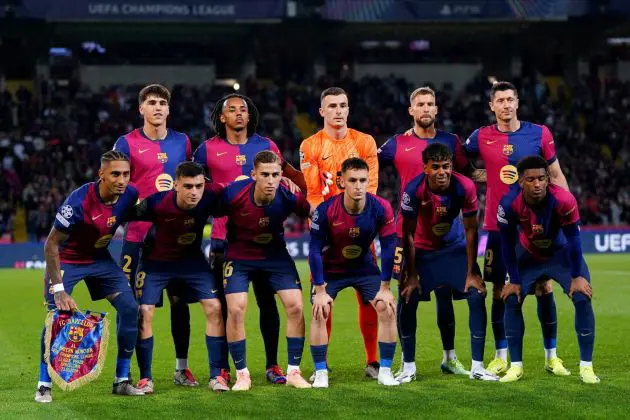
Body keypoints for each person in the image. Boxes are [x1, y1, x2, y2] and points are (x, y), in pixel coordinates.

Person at [193, 93, 305, 384]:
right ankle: (222, 369)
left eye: (244, 109)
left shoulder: (266, 146)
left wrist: (291, 180)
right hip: (224, 240)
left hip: (267, 242)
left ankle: (273, 366)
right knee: (225, 308)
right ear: (222, 117)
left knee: (268, 305)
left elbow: (288, 176)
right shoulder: (206, 150)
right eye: (232, 110)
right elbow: (197, 189)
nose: (239, 114)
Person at [463, 81, 570, 376]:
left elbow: (555, 174)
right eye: (501, 100)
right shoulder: (481, 136)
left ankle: (552, 356)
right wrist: (484, 175)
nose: (506, 105)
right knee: (501, 289)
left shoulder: (539, 133)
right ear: (492, 106)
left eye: (511, 99)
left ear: (518, 103)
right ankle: (500, 356)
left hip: (536, 225)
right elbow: (457, 163)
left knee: (543, 285)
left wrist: (566, 213)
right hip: (497, 226)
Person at [35, 151, 144, 403]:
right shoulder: (78, 202)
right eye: (115, 174)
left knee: (130, 308)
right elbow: (51, 245)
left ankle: (122, 380)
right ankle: (43, 384)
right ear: (101, 174)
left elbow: (129, 215)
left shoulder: (130, 194)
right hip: (68, 259)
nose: (121, 180)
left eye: (126, 174)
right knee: (57, 317)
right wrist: (59, 289)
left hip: (99, 259)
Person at [380, 86, 472, 382]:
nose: (426, 108)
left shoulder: (452, 142)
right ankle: (408, 365)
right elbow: (368, 169)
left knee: (446, 297)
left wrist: (507, 177)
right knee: (408, 297)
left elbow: (469, 176)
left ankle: (450, 357)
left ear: (437, 109)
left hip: (447, 235)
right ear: (411, 110)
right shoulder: (396, 144)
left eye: (430, 103)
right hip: (409, 235)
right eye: (420, 104)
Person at [113, 84, 198, 386]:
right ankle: (136, 373)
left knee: (179, 302)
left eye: (163, 102)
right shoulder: (126, 142)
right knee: (136, 307)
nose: (158, 107)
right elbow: (116, 185)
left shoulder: (183, 142)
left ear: (169, 109)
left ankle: (181, 367)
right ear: (141, 109)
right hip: (138, 237)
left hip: (174, 238)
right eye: (151, 102)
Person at [299, 86, 381, 378]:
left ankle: (373, 362)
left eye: (343, 105)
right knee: (322, 302)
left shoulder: (365, 142)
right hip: (326, 236)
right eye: (332, 106)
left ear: (349, 109)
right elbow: (312, 194)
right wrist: (332, 225)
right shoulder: (310, 145)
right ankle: (321, 367)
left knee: (370, 299)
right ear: (322, 111)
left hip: (360, 232)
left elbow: (369, 190)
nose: (338, 110)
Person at [400, 143, 499, 382]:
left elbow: (471, 231)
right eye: (435, 167)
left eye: (446, 166)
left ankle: (477, 367)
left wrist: (471, 271)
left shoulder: (465, 186)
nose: (442, 172)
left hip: (453, 248)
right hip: (422, 251)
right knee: (407, 297)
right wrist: (411, 274)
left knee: (476, 294)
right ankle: (408, 367)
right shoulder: (413, 190)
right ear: (425, 167)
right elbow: (408, 234)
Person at [498, 156, 599, 384]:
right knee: (512, 299)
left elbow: (574, 239)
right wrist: (513, 279)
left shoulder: (564, 199)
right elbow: (506, 243)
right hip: (527, 254)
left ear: (547, 179)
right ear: (520, 182)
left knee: (582, 296)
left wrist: (575, 277)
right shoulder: (508, 203)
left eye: (542, 178)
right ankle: (516, 367)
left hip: (560, 255)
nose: (537, 184)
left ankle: (586, 367)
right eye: (531, 179)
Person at [130, 162, 229, 393]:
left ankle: (217, 376)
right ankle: (145, 378)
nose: (194, 191)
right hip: (155, 263)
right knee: (144, 312)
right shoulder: (156, 202)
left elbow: (239, 195)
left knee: (214, 307)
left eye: (198, 186)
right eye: (188, 186)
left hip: (191, 261)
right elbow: (122, 212)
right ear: (175, 185)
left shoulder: (210, 195)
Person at [218, 150, 312, 391]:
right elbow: (206, 210)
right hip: (239, 256)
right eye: (265, 175)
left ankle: (293, 371)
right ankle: (242, 375)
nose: (271, 180)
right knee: (236, 309)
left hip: (275, 255)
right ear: (253, 175)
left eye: (276, 174)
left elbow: (314, 213)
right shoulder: (233, 194)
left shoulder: (288, 195)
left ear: (282, 175)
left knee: (296, 306)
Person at [308, 158, 399, 388]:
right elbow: (314, 250)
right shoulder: (325, 210)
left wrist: (386, 288)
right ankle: (320, 372)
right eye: (352, 180)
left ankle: (385, 370)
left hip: (364, 267)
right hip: (331, 269)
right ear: (341, 182)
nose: (358, 186)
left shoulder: (381, 207)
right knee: (320, 310)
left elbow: (389, 248)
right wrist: (319, 290)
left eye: (362, 180)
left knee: (387, 308)